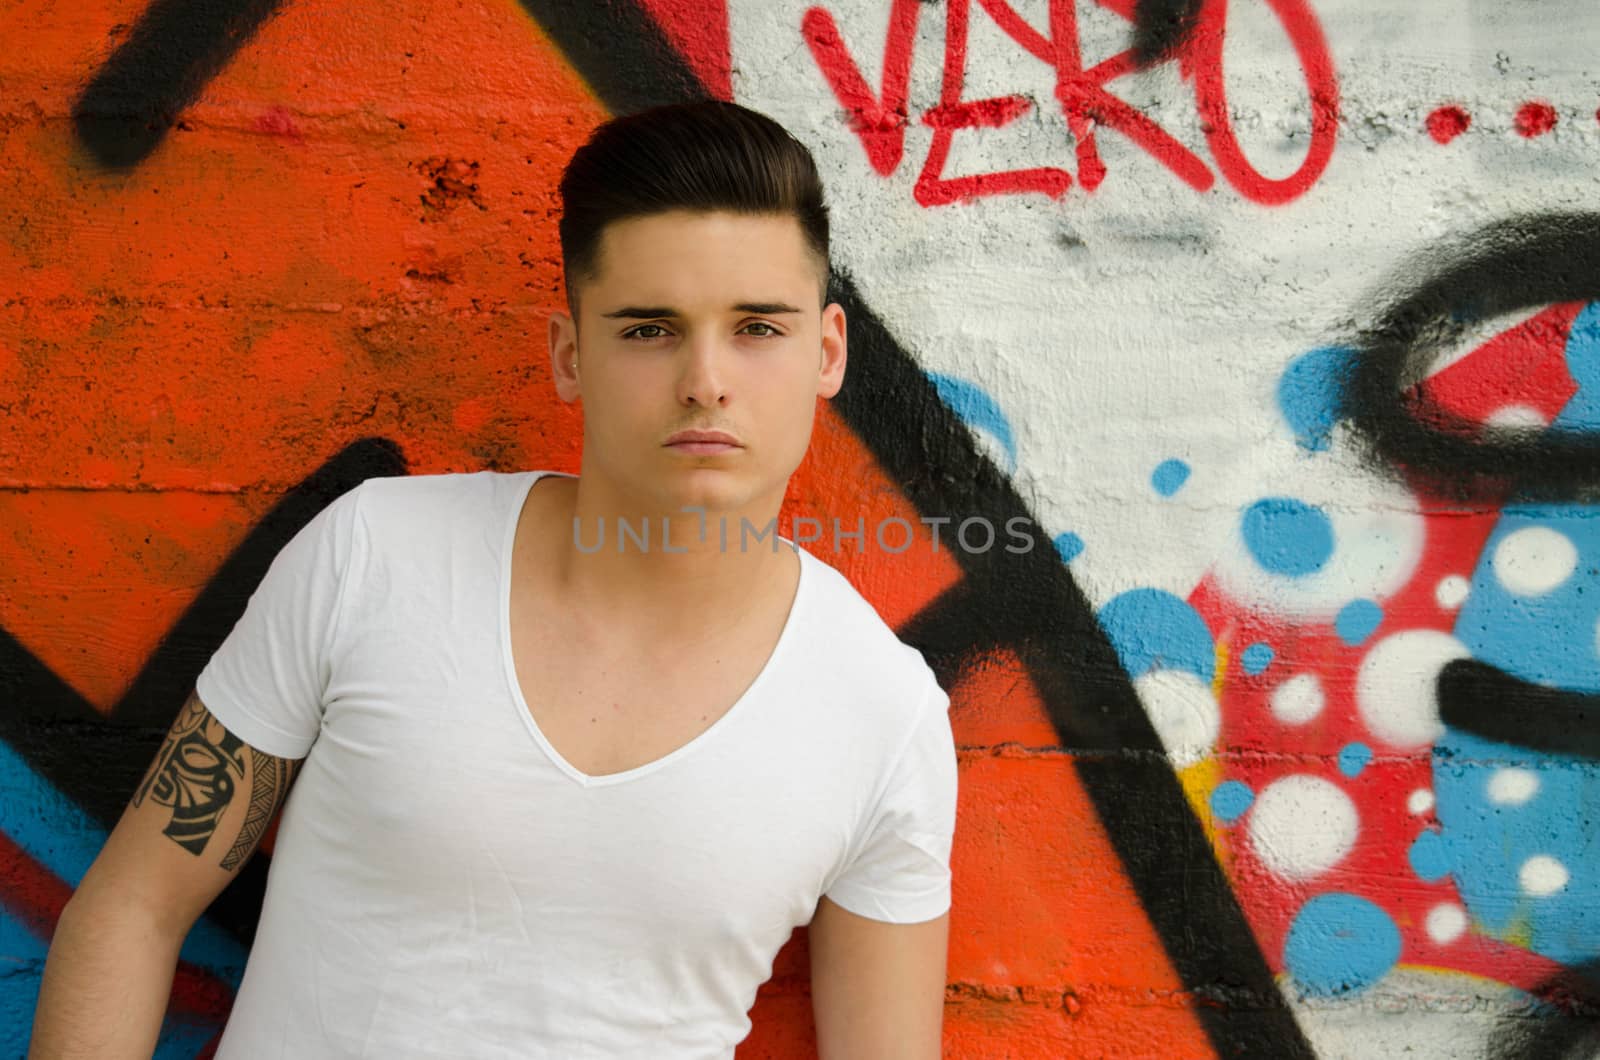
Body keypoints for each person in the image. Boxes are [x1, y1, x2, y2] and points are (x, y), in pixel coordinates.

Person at [30, 99, 958, 1058]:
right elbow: (134, 909)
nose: (706, 380)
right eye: (649, 330)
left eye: (758, 327)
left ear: (829, 352)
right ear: (570, 355)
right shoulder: (376, 557)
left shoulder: (882, 715)